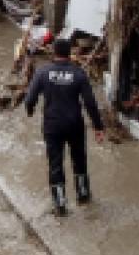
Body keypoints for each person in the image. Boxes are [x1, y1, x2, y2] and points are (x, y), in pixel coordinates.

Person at [23, 38, 106, 216]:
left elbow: (30, 99)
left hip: (52, 126)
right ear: (70, 54)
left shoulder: (42, 72)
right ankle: (83, 197)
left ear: (54, 52)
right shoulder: (79, 74)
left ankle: (60, 205)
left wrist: (29, 111)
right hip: (75, 124)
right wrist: (98, 127)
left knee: (55, 164)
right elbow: (90, 103)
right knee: (79, 161)